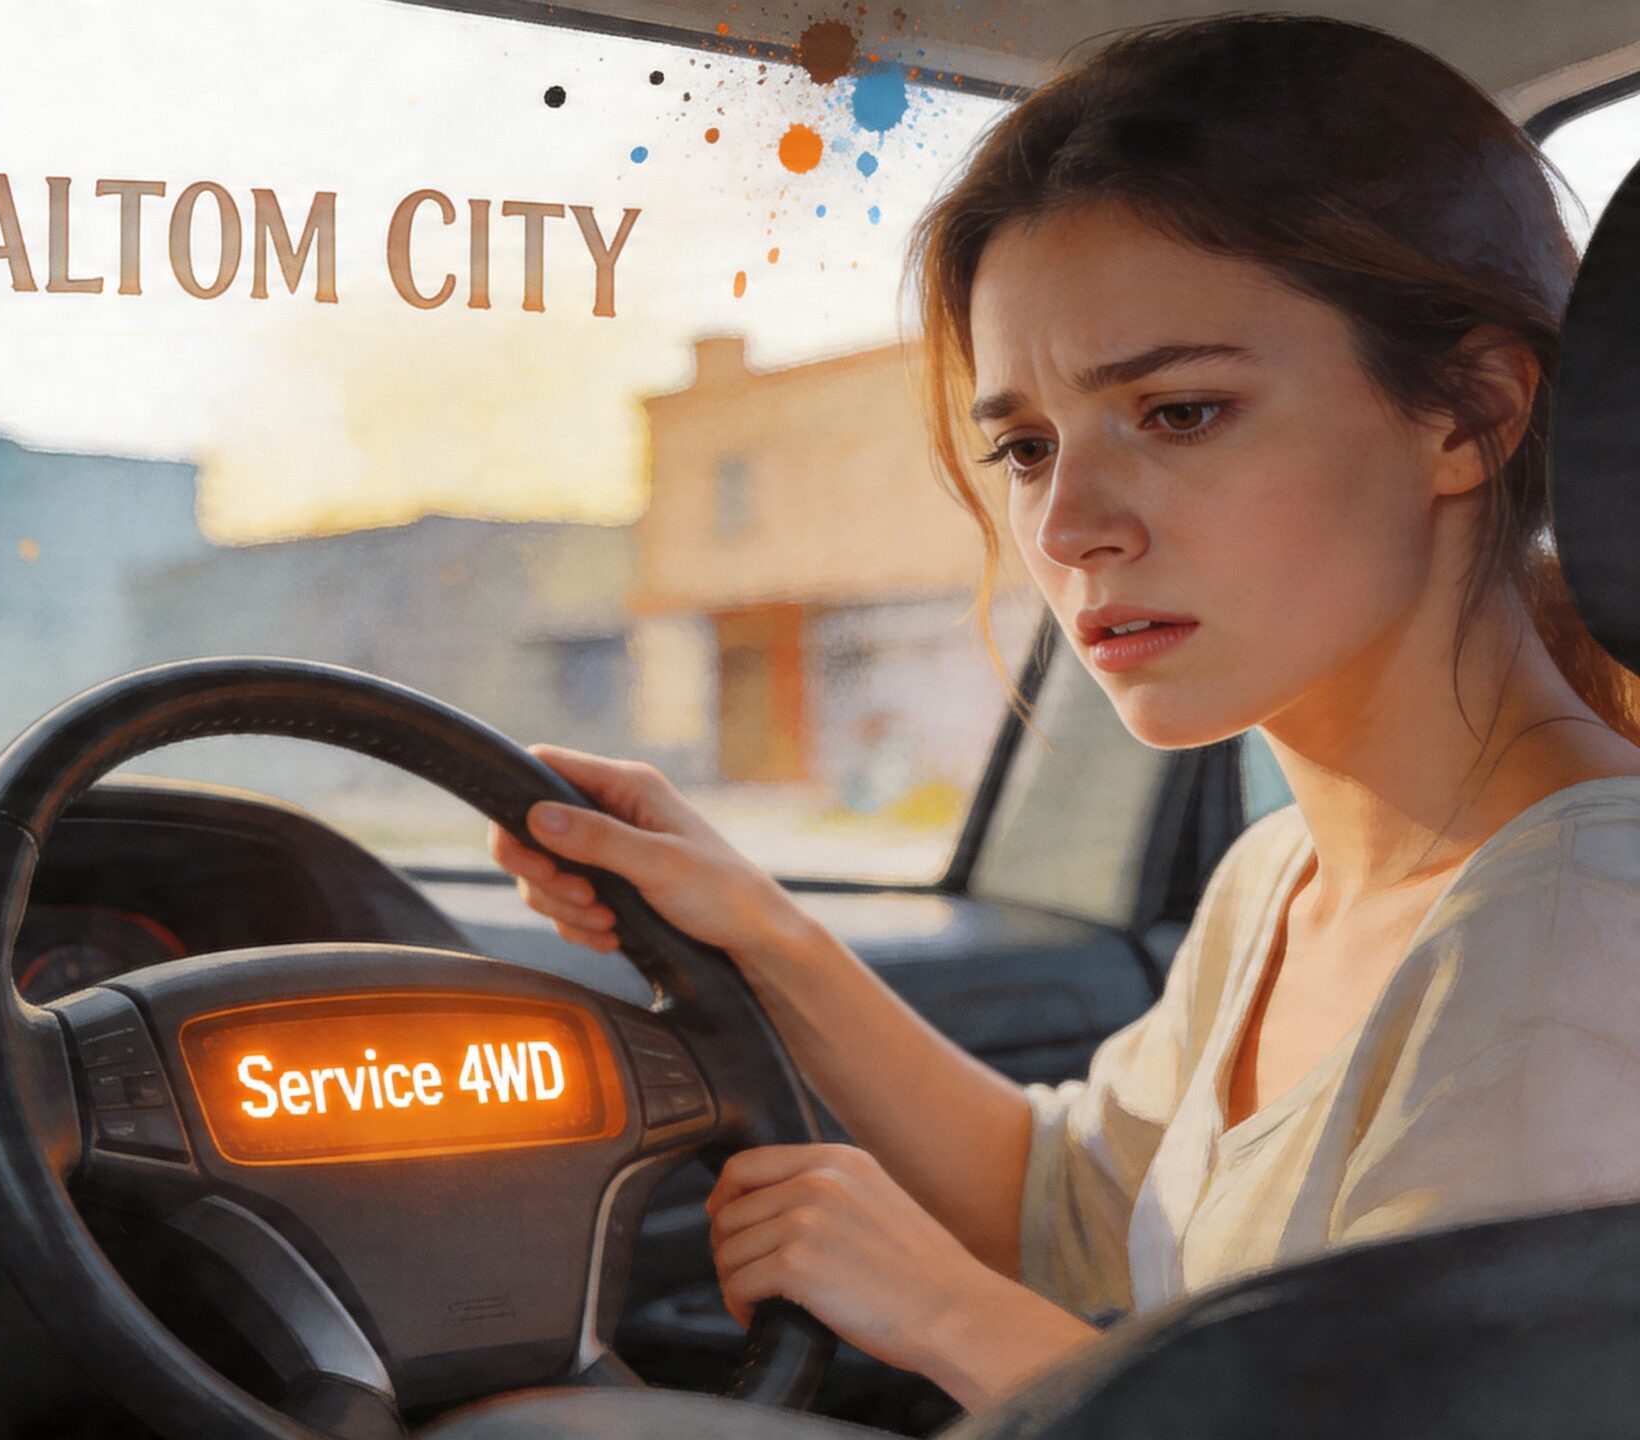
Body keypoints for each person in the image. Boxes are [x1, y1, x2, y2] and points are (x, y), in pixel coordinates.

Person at [490, 12, 1640, 1413]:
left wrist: (946, 1315)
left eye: (1180, 412)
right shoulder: (1290, 876)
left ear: (1467, 415)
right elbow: (1073, 1204)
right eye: (1027, 447)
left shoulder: (1578, 935)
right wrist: (764, 928)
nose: (1070, 524)